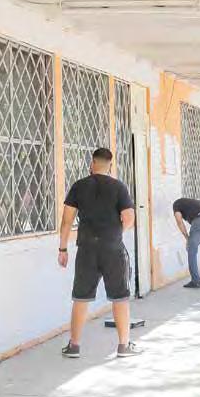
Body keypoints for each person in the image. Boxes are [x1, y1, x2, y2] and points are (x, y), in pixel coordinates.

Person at [58, 148, 140, 358]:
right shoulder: (119, 187)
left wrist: (63, 248)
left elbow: (66, 221)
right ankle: (124, 345)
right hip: (112, 249)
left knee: (80, 297)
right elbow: (129, 218)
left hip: (86, 248)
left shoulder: (79, 186)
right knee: (119, 297)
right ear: (110, 165)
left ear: (92, 163)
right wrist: (115, 233)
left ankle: (74, 346)